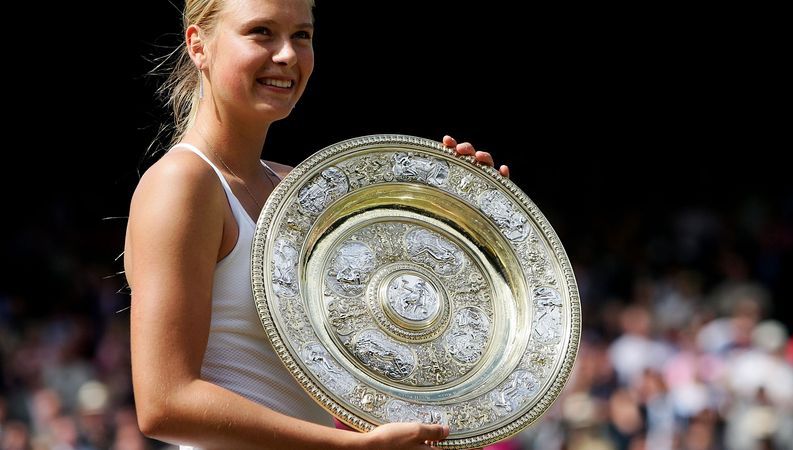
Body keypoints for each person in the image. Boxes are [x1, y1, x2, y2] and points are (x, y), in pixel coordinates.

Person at [124, 1, 508, 449]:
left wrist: (470, 220)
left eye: (301, 35)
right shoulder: (183, 182)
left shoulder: (299, 189)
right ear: (198, 45)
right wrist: (347, 447)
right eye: (261, 32)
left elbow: (385, 351)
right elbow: (165, 402)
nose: (287, 54)